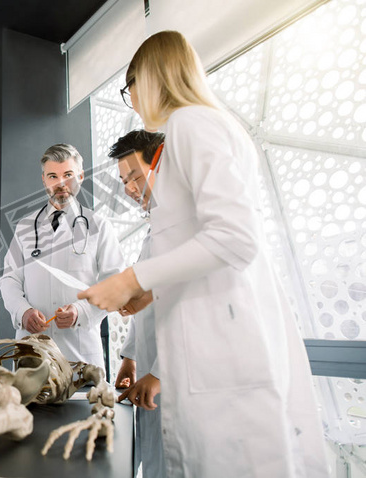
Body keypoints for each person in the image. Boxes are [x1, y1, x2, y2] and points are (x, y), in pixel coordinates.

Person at [78, 31, 328, 477]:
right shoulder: (198, 127)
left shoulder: (192, 123)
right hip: (210, 344)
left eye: (130, 85)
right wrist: (148, 293)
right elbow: (203, 246)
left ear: (150, 77)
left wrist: (132, 279)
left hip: (220, 352)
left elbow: (235, 237)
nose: (130, 98)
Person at [0, 144, 125, 369]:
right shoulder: (26, 227)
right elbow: (9, 279)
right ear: (44, 180)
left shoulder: (98, 226)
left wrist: (81, 311)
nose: (61, 183)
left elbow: (114, 285)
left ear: (81, 176)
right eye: (53, 176)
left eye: (68, 175)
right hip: (33, 353)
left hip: (81, 355)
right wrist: (23, 311)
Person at [110, 129, 166, 478]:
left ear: (159, 164)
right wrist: (130, 357)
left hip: (173, 379)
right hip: (149, 370)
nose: (129, 188)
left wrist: (160, 371)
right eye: (123, 181)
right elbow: (149, 304)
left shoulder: (184, 228)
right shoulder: (156, 230)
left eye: (134, 176)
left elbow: (192, 310)